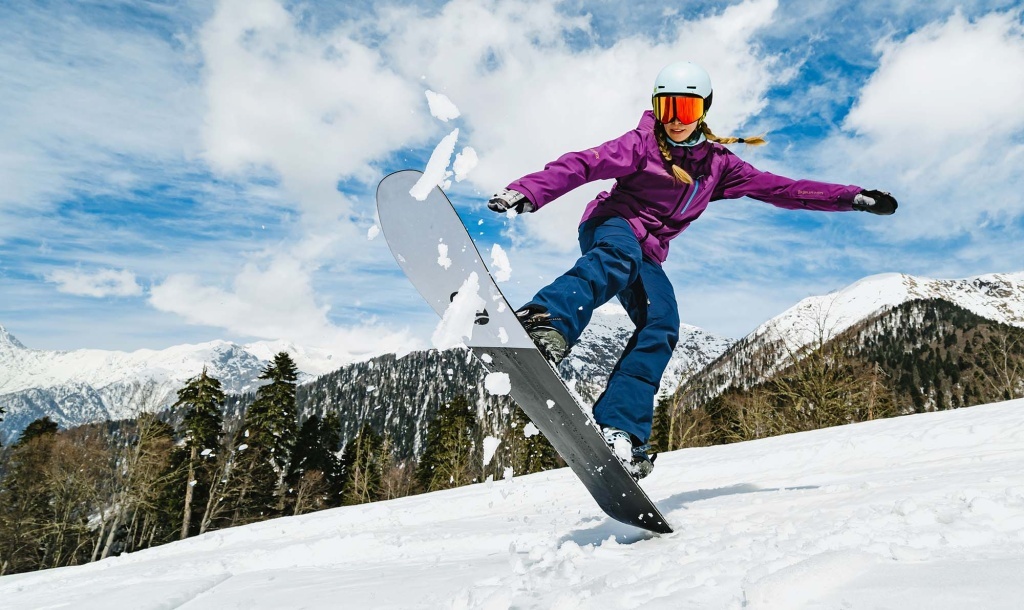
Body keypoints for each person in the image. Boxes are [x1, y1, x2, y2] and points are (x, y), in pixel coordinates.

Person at [487, 61, 897, 479]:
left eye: (686, 109)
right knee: (618, 258)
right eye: (667, 108)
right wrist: (528, 190)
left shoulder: (719, 165)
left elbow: (782, 189)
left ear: (703, 110)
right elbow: (583, 164)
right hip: (612, 225)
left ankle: (621, 430)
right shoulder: (641, 144)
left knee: (662, 323)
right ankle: (544, 321)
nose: (675, 120)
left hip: (648, 252)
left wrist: (852, 197)